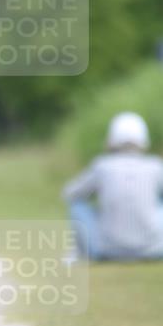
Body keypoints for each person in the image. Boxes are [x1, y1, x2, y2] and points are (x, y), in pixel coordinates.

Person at [63, 112, 163, 261]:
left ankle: (77, 253)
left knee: (77, 205)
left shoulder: (102, 166)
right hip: (154, 250)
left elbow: (69, 193)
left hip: (106, 250)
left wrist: (98, 202)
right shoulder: (155, 166)